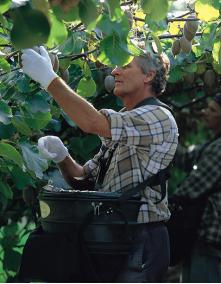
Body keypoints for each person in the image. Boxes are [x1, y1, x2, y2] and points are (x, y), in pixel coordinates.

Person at [20, 46, 178, 282]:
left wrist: (49, 80)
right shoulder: (126, 120)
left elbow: (92, 122)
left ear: (149, 75)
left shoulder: (158, 117)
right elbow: (84, 179)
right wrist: (62, 157)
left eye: (124, 65)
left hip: (141, 241)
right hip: (114, 237)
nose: (114, 71)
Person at [171, 93, 221, 283]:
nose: (204, 113)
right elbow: (185, 159)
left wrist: (167, 205)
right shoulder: (214, 144)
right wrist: (166, 132)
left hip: (209, 229)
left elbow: (194, 187)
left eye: (212, 110)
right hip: (201, 230)